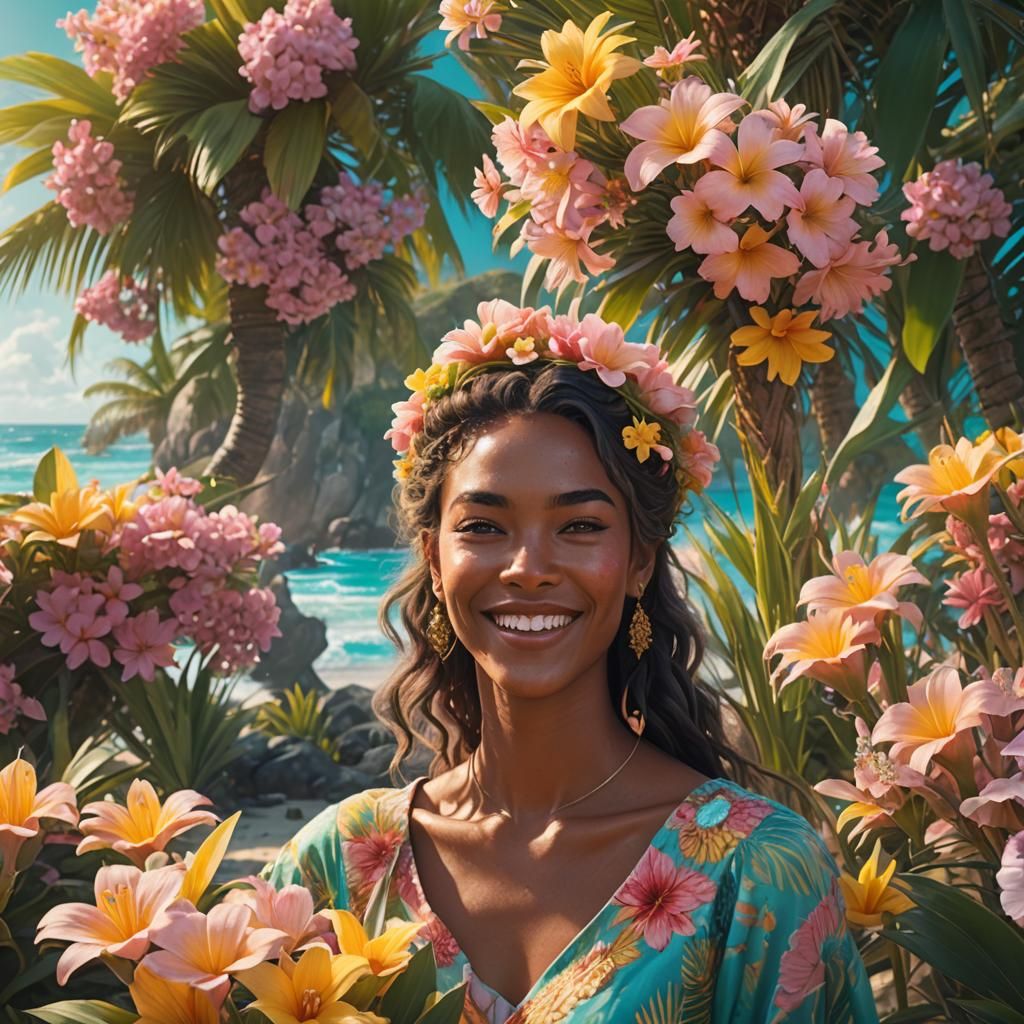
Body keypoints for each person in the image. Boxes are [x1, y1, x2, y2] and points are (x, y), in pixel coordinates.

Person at [261, 303, 880, 1023]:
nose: (528, 568)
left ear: (639, 562)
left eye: (580, 526)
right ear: (433, 560)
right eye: (484, 527)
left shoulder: (760, 872)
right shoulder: (337, 865)